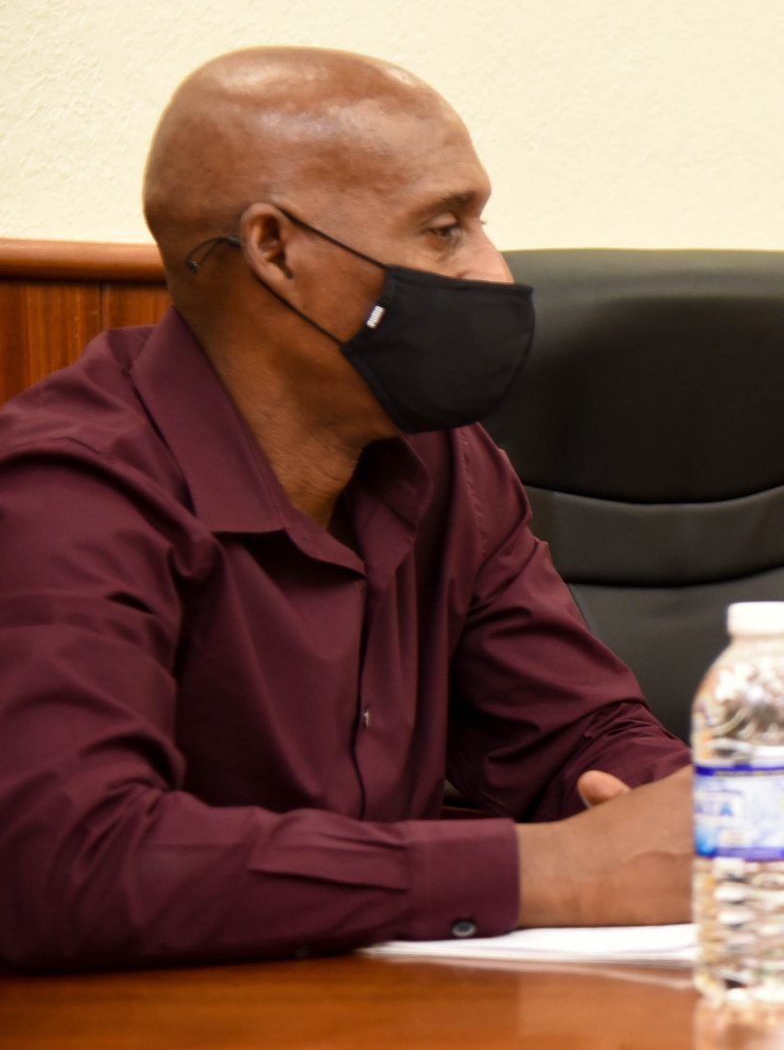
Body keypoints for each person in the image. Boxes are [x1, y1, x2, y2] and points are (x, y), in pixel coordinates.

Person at [0, 48, 695, 972]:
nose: (494, 275)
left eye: (481, 224)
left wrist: (690, 815)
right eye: (445, 230)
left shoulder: (447, 461)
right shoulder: (70, 487)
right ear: (276, 251)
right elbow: (67, 860)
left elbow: (577, 733)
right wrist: (545, 869)